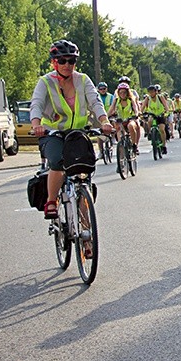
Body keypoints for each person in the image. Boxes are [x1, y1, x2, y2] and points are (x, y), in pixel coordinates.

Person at [30, 40, 114, 225]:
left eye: (72, 61)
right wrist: (37, 125)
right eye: (62, 61)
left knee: (83, 175)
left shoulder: (83, 80)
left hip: (77, 133)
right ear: (54, 62)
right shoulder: (45, 82)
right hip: (53, 133)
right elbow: (36, 104)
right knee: (57, 163)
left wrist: (104, 121)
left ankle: (86, 233)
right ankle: (52, 201)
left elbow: (95, 102)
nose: (67, 65)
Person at [108, 82, 140, 154]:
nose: (122, 94)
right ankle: (122, 157)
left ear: (127, 93)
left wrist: (136, 114)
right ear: (118, 93)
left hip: (130, 119)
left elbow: (135, 108)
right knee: (119, 133)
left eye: (124, 92)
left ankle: (134, 145)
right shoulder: (116, 100)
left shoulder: (131, 100)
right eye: (120, 92)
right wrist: (106, 118)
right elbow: (111, 109)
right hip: (120, 120)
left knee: (131, 126)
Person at [141, 84, 169, 153]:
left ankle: (164, 145)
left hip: (160, 114)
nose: (151, 93)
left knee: (162, 129)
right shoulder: (147, 98)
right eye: (150, 92)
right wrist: (140, 113)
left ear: (156, 92)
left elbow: (166, 106)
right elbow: (143, 107)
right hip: (152, 114)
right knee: (149, 120)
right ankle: (150, 132)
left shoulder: (160, 97)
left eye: (152, 92)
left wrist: (166, 113)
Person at [96, 81, 115, 159]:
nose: (102, 90)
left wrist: (108, 115)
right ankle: (101, 151)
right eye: (101, 89)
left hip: (110, 115)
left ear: (106, 89)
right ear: (98, 90)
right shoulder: (96, 97)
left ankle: (113, 138)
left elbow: (113, 107)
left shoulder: (111, 97)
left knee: (113, 122)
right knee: (99, 134)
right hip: (100, 118)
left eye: (104, 88)